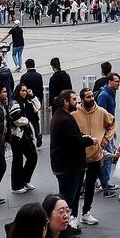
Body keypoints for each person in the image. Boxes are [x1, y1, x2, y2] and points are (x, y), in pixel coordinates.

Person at [50, 89, 94, 229]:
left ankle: (67, 228)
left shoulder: (62, 115)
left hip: (67, 165)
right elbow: (75, 141)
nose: (77, 102)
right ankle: (64, 230)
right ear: (66, 101)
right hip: (68, 166)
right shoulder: (64, 119)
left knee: (69, 197)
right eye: (74, 99)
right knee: (67, 200)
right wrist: (90, 141)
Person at [72, 88, 116, 225]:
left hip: (95, 155)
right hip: (79, 156)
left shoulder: (101, 112)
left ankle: (86, 212)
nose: (91, 99)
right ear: (82, 99)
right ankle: (73, 215)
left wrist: (106, 140)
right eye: (88, 97)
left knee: (90, 185)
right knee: (76, 187)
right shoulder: (74, 114)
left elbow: (112, 124)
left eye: (92, 96)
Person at [7, 83, 38, 192]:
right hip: (17, 136)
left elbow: (37, 107)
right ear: (18, 91)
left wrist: (32, 96)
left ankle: (25, 180)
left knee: (33, 157)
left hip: (26, 135)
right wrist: (27, 121)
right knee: (18, 161)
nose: (25, 92)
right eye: (23, 90)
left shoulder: (27, 102)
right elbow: (16, 119)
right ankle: (16, 186)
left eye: (26, 90)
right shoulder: (14, 103)